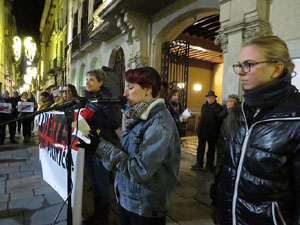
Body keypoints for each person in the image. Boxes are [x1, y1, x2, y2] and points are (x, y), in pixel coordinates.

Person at [210, 35, 300, 225]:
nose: (240, 72)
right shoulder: (237, 113)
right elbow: (223, 166)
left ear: (276, 68)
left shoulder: (295, 117)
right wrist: (217, 202)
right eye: (239, 65)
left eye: (249, 64)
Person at [77, 67, 181, 225]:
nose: (125, 94)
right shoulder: (137, 116)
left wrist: (101, 147)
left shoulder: (159, 124)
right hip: (128, 199)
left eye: (130, 88)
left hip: (145, 207)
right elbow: (126, 155)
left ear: (147, 89)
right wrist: (96, 145)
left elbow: (139, 170)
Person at [79, 69, 121, 225]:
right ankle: (97, 214)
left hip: (102, 145)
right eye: (87, 79)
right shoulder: (87, 99)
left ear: (101, 83)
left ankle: (103, 218)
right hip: (89, 143)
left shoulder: (106, 99)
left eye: (91, 79)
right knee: (94, 182)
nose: (87, 82)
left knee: (102, 182)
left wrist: (92, 116)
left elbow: (114, 123)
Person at [191, 90, 224, 171]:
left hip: (212, 132)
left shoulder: (219, 108)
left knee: (211, 150)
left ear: (214, 98)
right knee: (200, 148)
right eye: (208, 97)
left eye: (211, 97)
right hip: (203, 131)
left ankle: (209, 165)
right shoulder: (204, 106)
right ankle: (199, 163)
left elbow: (218, 119)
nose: (209, 99)